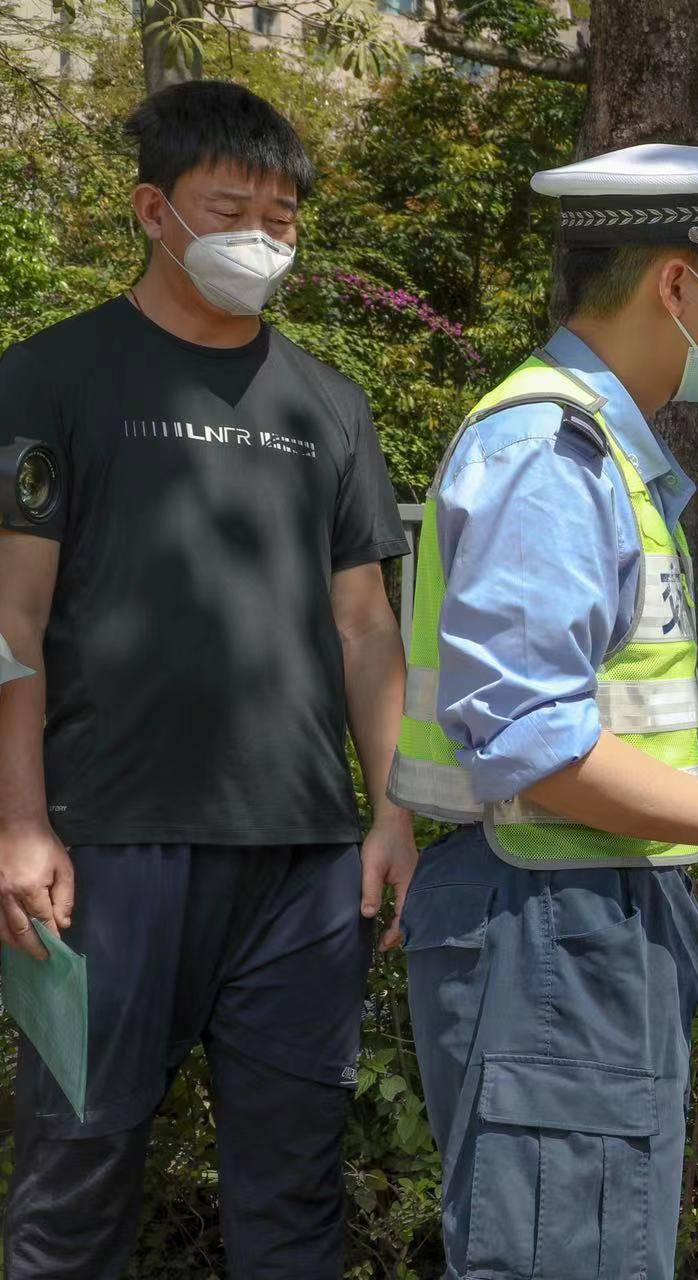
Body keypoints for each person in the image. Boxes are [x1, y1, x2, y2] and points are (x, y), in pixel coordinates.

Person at [390, 143, 698, 1280]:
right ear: (679, 284)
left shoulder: (603, 450)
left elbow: (598, 711)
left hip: (582, 926)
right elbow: (528, 743)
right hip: (549, 928)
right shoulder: (550, 453)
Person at [0, 81, 415, 1277]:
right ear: (152, 208)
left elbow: (364, 627)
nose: (262, 236)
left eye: (282, 215)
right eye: (231, 205)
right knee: (72, 1189)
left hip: (302, 864)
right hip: (100, 857)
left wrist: (390, 811)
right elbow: (10, 613)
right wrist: (20, 821)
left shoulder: (330, 405)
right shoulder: (49, 379)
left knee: (293, 1199)